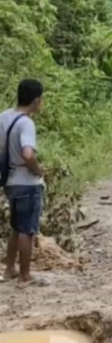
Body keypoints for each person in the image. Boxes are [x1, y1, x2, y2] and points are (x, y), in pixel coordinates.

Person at [2, 79, 46, 288]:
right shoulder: (26, 123)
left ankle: (9, 269)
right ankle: (24, 275)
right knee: (27, 229)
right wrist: (38, 171)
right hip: (26, 183)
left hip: (9, 180)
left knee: (16, 226)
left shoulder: (4, 117)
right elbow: (28, 153)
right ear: (36, 100)